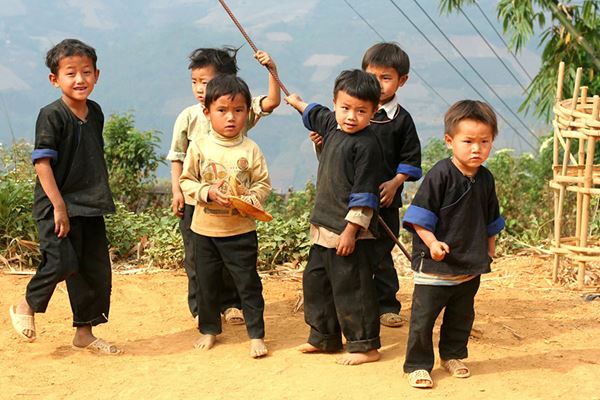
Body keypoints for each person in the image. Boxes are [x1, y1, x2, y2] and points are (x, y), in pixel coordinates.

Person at [8, 38, 120, 354]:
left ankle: (84, 333)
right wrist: (58, 206)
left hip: (90, 203)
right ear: (54, 79)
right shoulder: (52, 115)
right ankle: (26, 305)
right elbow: (43, 164)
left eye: (86, 72)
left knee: (93, 269)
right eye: (70, 73)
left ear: (97, 75)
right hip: (55, 203)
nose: (80, 79)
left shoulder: (95, 112)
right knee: (62, 260)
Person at [309, 42, 422, 328]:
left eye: (387, 78)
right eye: (373, 76)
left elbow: (410, 159)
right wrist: (323, 145)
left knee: (381, 254)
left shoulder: (400, 121)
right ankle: (353, 303)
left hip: (383, 202)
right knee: (352, 257)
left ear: (402, 81)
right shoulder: (349, 117)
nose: (379, 84)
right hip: (348, 204)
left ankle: (386, 304)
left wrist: (395, 183)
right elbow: (337, 158)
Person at [167, 46, 280, 325]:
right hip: (198, 202)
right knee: (197, 258)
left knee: (231, 257)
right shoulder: (189, 117)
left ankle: (231, 304)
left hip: (232, 206)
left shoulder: (236, 110)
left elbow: (271, 103)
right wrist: (177, 191)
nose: (199, 88)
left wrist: (272, 71)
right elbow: (178, 156)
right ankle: (201, 308)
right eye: (195, 81)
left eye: (205, 82)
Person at [401, 100, 505, 388]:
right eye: (468, 141)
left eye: (484, 141)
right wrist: (432, 244)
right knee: (424, 319)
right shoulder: (440, 174)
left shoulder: (485, 179)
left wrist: (490, 248)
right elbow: (420, 217)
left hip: (469, 264)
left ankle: (453, 354)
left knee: (461, 315)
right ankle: (418, 364)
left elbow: (491, 219)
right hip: (435, 266)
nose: (476, 148)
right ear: (450, 141)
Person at [285, 69, 384, 366]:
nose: (351, 116)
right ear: (336, 103)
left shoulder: (367, 146)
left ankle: (365, 345)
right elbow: (315, 112)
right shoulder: (332, 125)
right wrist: (296, 102)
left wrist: (350, 232)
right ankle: (324, 337)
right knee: (316, 283)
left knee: (352, 287)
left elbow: (365, 196)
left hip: (347, 231)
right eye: (345, 108)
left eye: (361, 111)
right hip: (323, 227)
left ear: (374, 112)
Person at [179, 74, 273, 358]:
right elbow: (186, 182)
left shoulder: (251, 149)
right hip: (204, 231)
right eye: (222, 110)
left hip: (240, 231)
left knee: (248, 284)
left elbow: (263, 184)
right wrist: (206, 192)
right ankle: (209, 330)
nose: (230, 118)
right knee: (206, 284)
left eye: (238, 110)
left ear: (247, 112)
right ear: (207, 113)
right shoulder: (199, 147)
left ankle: (256, 334)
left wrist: (250, 199)